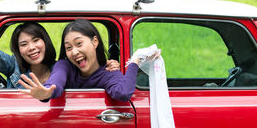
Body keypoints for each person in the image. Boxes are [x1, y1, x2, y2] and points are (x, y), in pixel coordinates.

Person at [0, 0, 118, 89]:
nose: (32, 48)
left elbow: (89, 73)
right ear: (18, 50)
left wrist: (110, 67)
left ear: (45, 42)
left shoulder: (63, 68)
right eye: (24, 44)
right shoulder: (13, 66)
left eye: (36, 40)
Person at [19, 19, 156, 101]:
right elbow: (56, 82)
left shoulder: (109, 73)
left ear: (95, 42)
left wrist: (135, 61)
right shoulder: (64, 65)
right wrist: (47, 92)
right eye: (68, 47)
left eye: (79, 44)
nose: (74, 52)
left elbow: (123, 92)